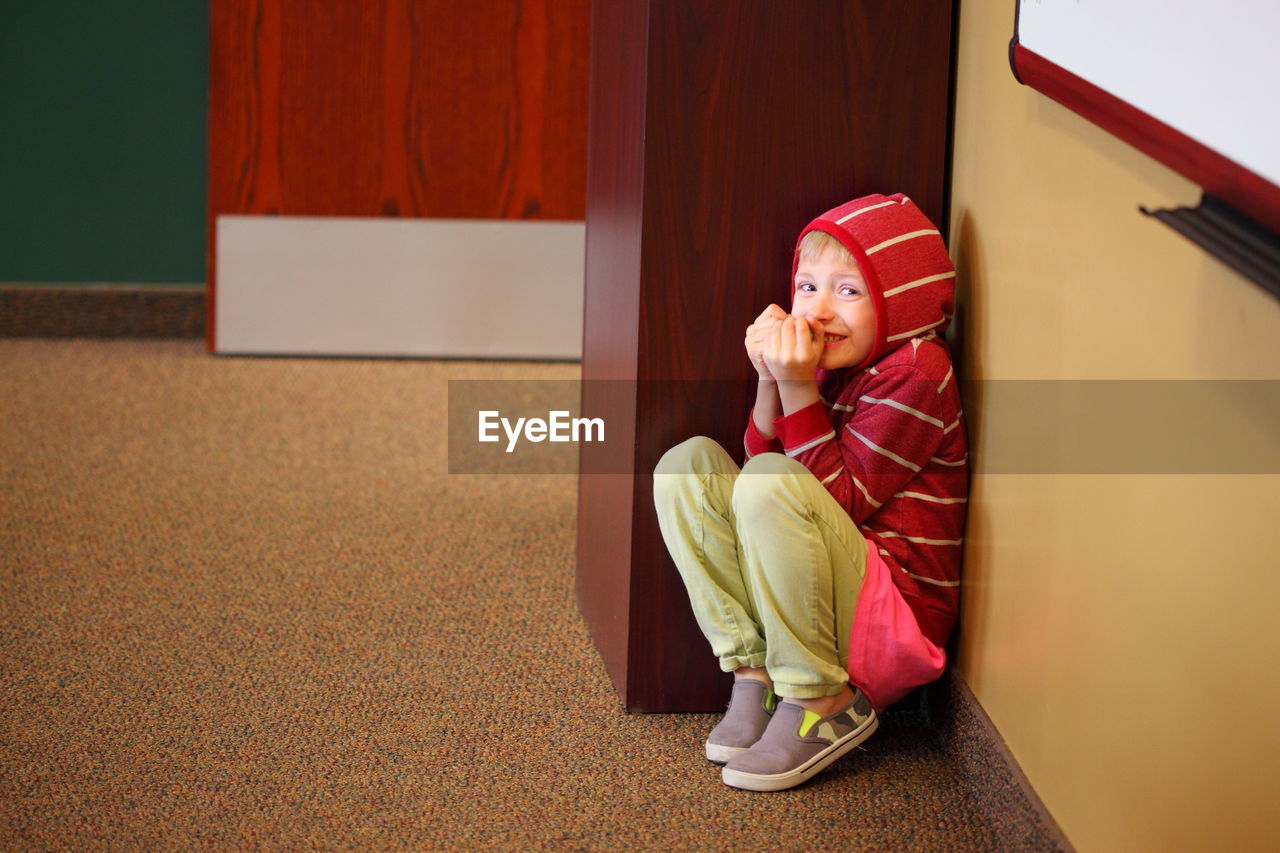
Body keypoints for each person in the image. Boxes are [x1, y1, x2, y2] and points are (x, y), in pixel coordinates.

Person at [653, 193, 967, 792]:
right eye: (807, 286)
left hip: (896, 621)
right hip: (812, 599)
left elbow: (835, 500)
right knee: (685, 465)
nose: (819, 310)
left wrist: (799, 384)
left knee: (772, 486)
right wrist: (773, 382)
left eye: (848, 291)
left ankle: (822, 698)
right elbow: (759, 480)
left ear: (902, 301)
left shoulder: (918, 373)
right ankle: (756, 674)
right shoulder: (828, 361)